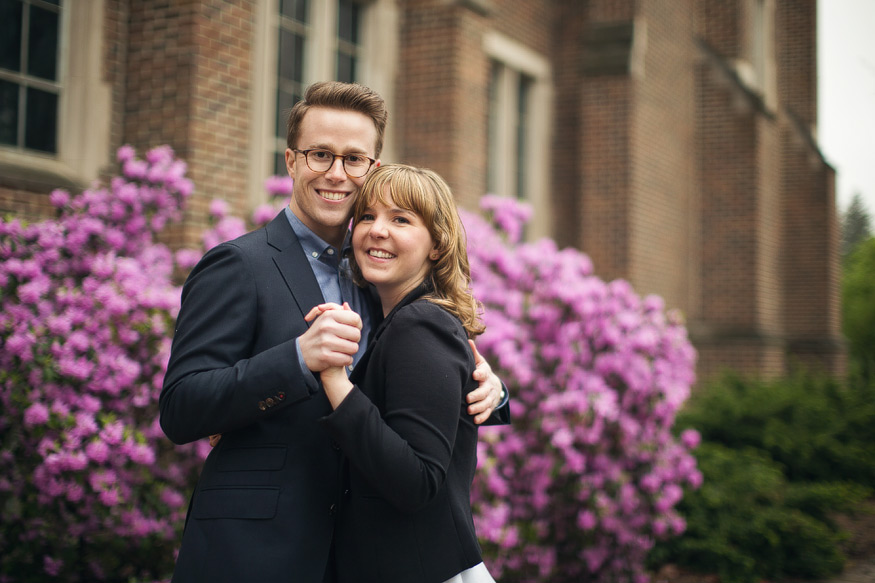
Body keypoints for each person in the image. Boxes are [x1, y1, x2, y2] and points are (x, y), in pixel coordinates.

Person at [159, 81, 508, 583]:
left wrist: (487, 389)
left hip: (356, 557)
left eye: (353, 159)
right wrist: (297, 359)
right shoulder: (238, 265)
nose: (336, 174)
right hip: (255, 551)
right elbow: (180, 407)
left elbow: (413, 378)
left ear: (373, 169)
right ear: (291, 161)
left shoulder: (377, 272)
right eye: (320, 154)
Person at [313, 164, 496, 583]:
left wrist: (336, 381)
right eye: (368, 216)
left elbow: (417, 480)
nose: (378, 230)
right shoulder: (395, 319)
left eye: (401, 219)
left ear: (437, 245)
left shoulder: (420, 324)